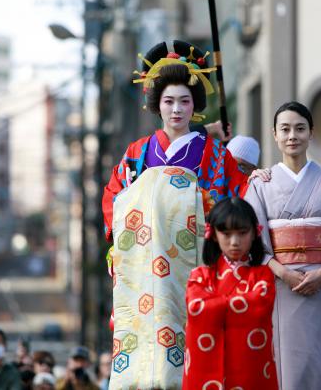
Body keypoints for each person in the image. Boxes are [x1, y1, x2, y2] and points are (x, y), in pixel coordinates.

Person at [102, 40, 248, 389]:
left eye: (184, 101)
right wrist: (116, 245)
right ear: (158, 105)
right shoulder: (137, 153)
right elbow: (115, 199)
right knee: (145, 343)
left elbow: (238, 196)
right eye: (169, 101)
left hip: (196, 262)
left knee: (195, 348)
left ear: (194, 105)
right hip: (145, 264)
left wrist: (255, 179)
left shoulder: (214, 154)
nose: (177, 109)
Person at [245, 101, 321, 389]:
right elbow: (250, 239)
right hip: (277, 288)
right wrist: (282, 272)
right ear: (274, 135)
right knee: (281, 371)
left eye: (300, 128)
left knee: (320, 368)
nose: (292, 136)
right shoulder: (261, 184)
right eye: (284, 129)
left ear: (311, 133)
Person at [182, 197, 278, 389]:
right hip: (206, 373)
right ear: (214, 235)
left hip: (250, 370)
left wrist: (215, 303)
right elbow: (195, 308)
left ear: (254, 233)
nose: (235, 242)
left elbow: (258, 308)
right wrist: (237, 304)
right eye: (226, 234)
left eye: (242, 233)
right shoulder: (200, 275)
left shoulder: (263, 275)